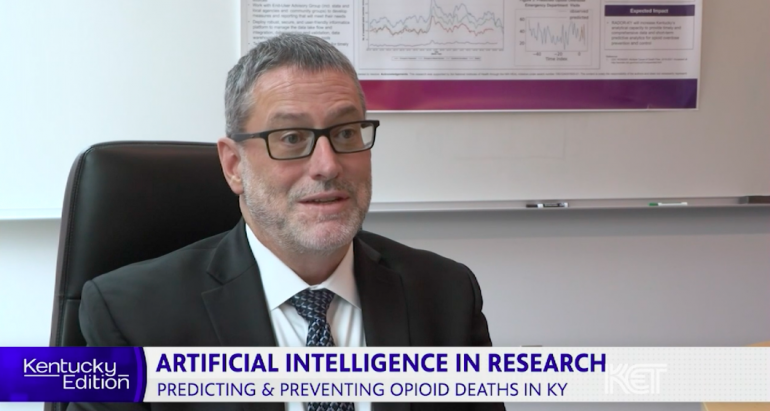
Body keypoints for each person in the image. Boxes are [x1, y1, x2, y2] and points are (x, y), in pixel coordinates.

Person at [71, 33, 502, 411]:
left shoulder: (446, 294)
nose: (327, 165)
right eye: (292, 138)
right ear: (234, 165)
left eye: (347, 133)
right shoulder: (131, 316)